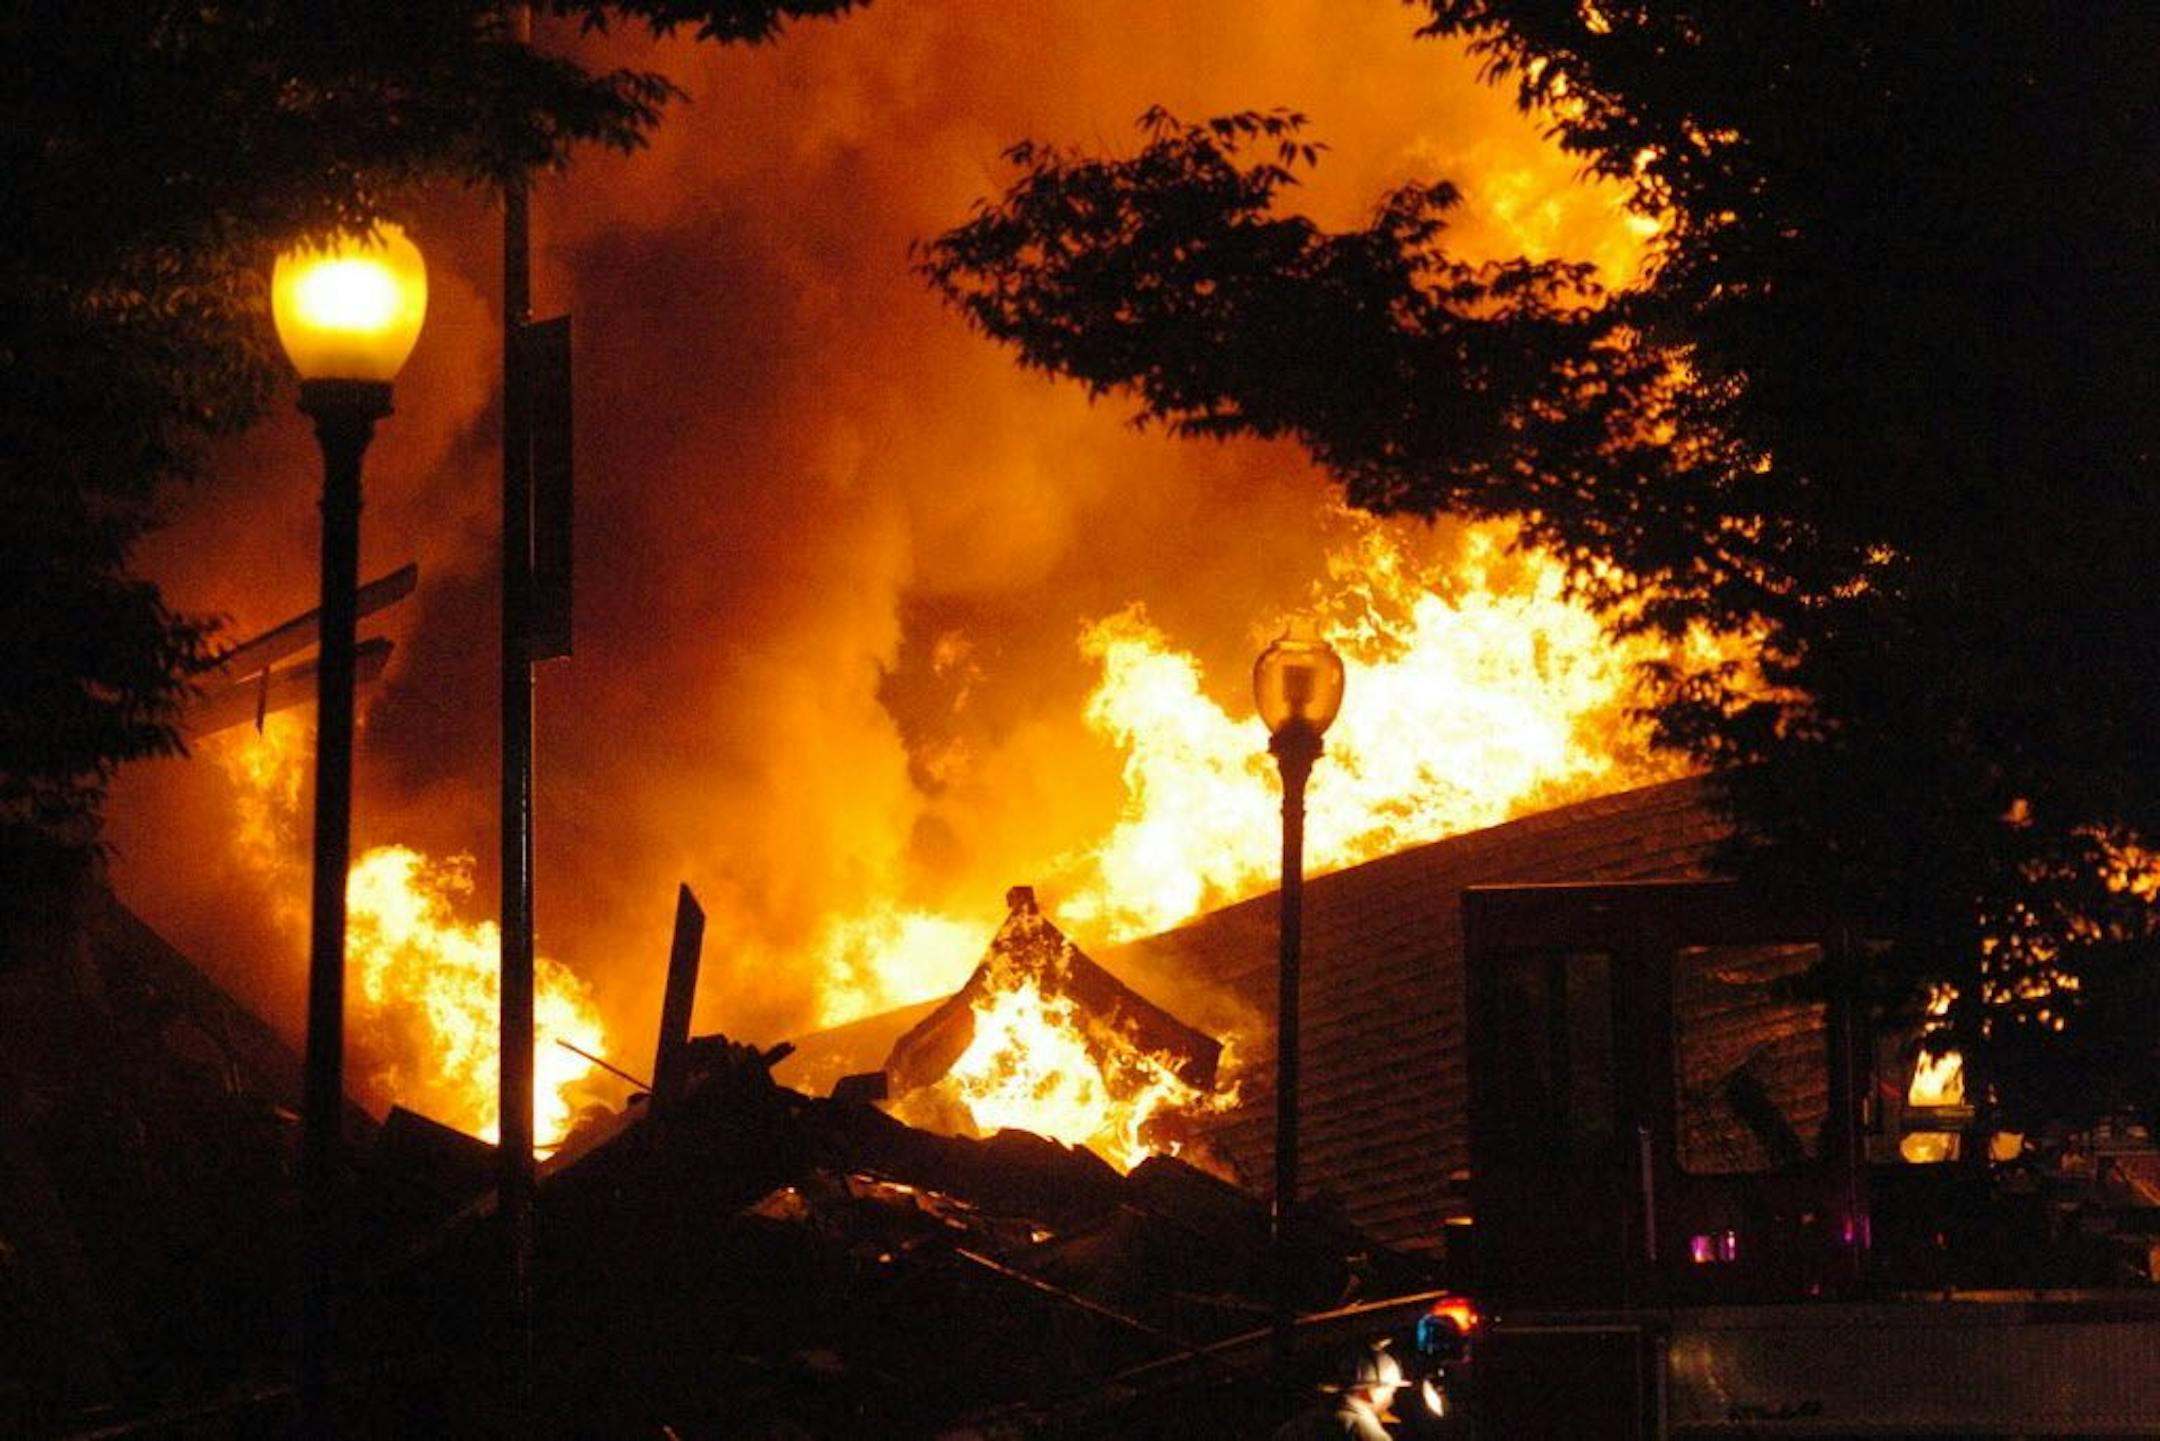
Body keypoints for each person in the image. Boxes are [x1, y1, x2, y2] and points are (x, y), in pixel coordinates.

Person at [1271, 1339, 1405, 1440]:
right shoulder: (1365, 1432)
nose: (1391, 1401)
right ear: (1372, 1393)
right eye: (1391, 1392)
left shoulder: (1295, 1426)